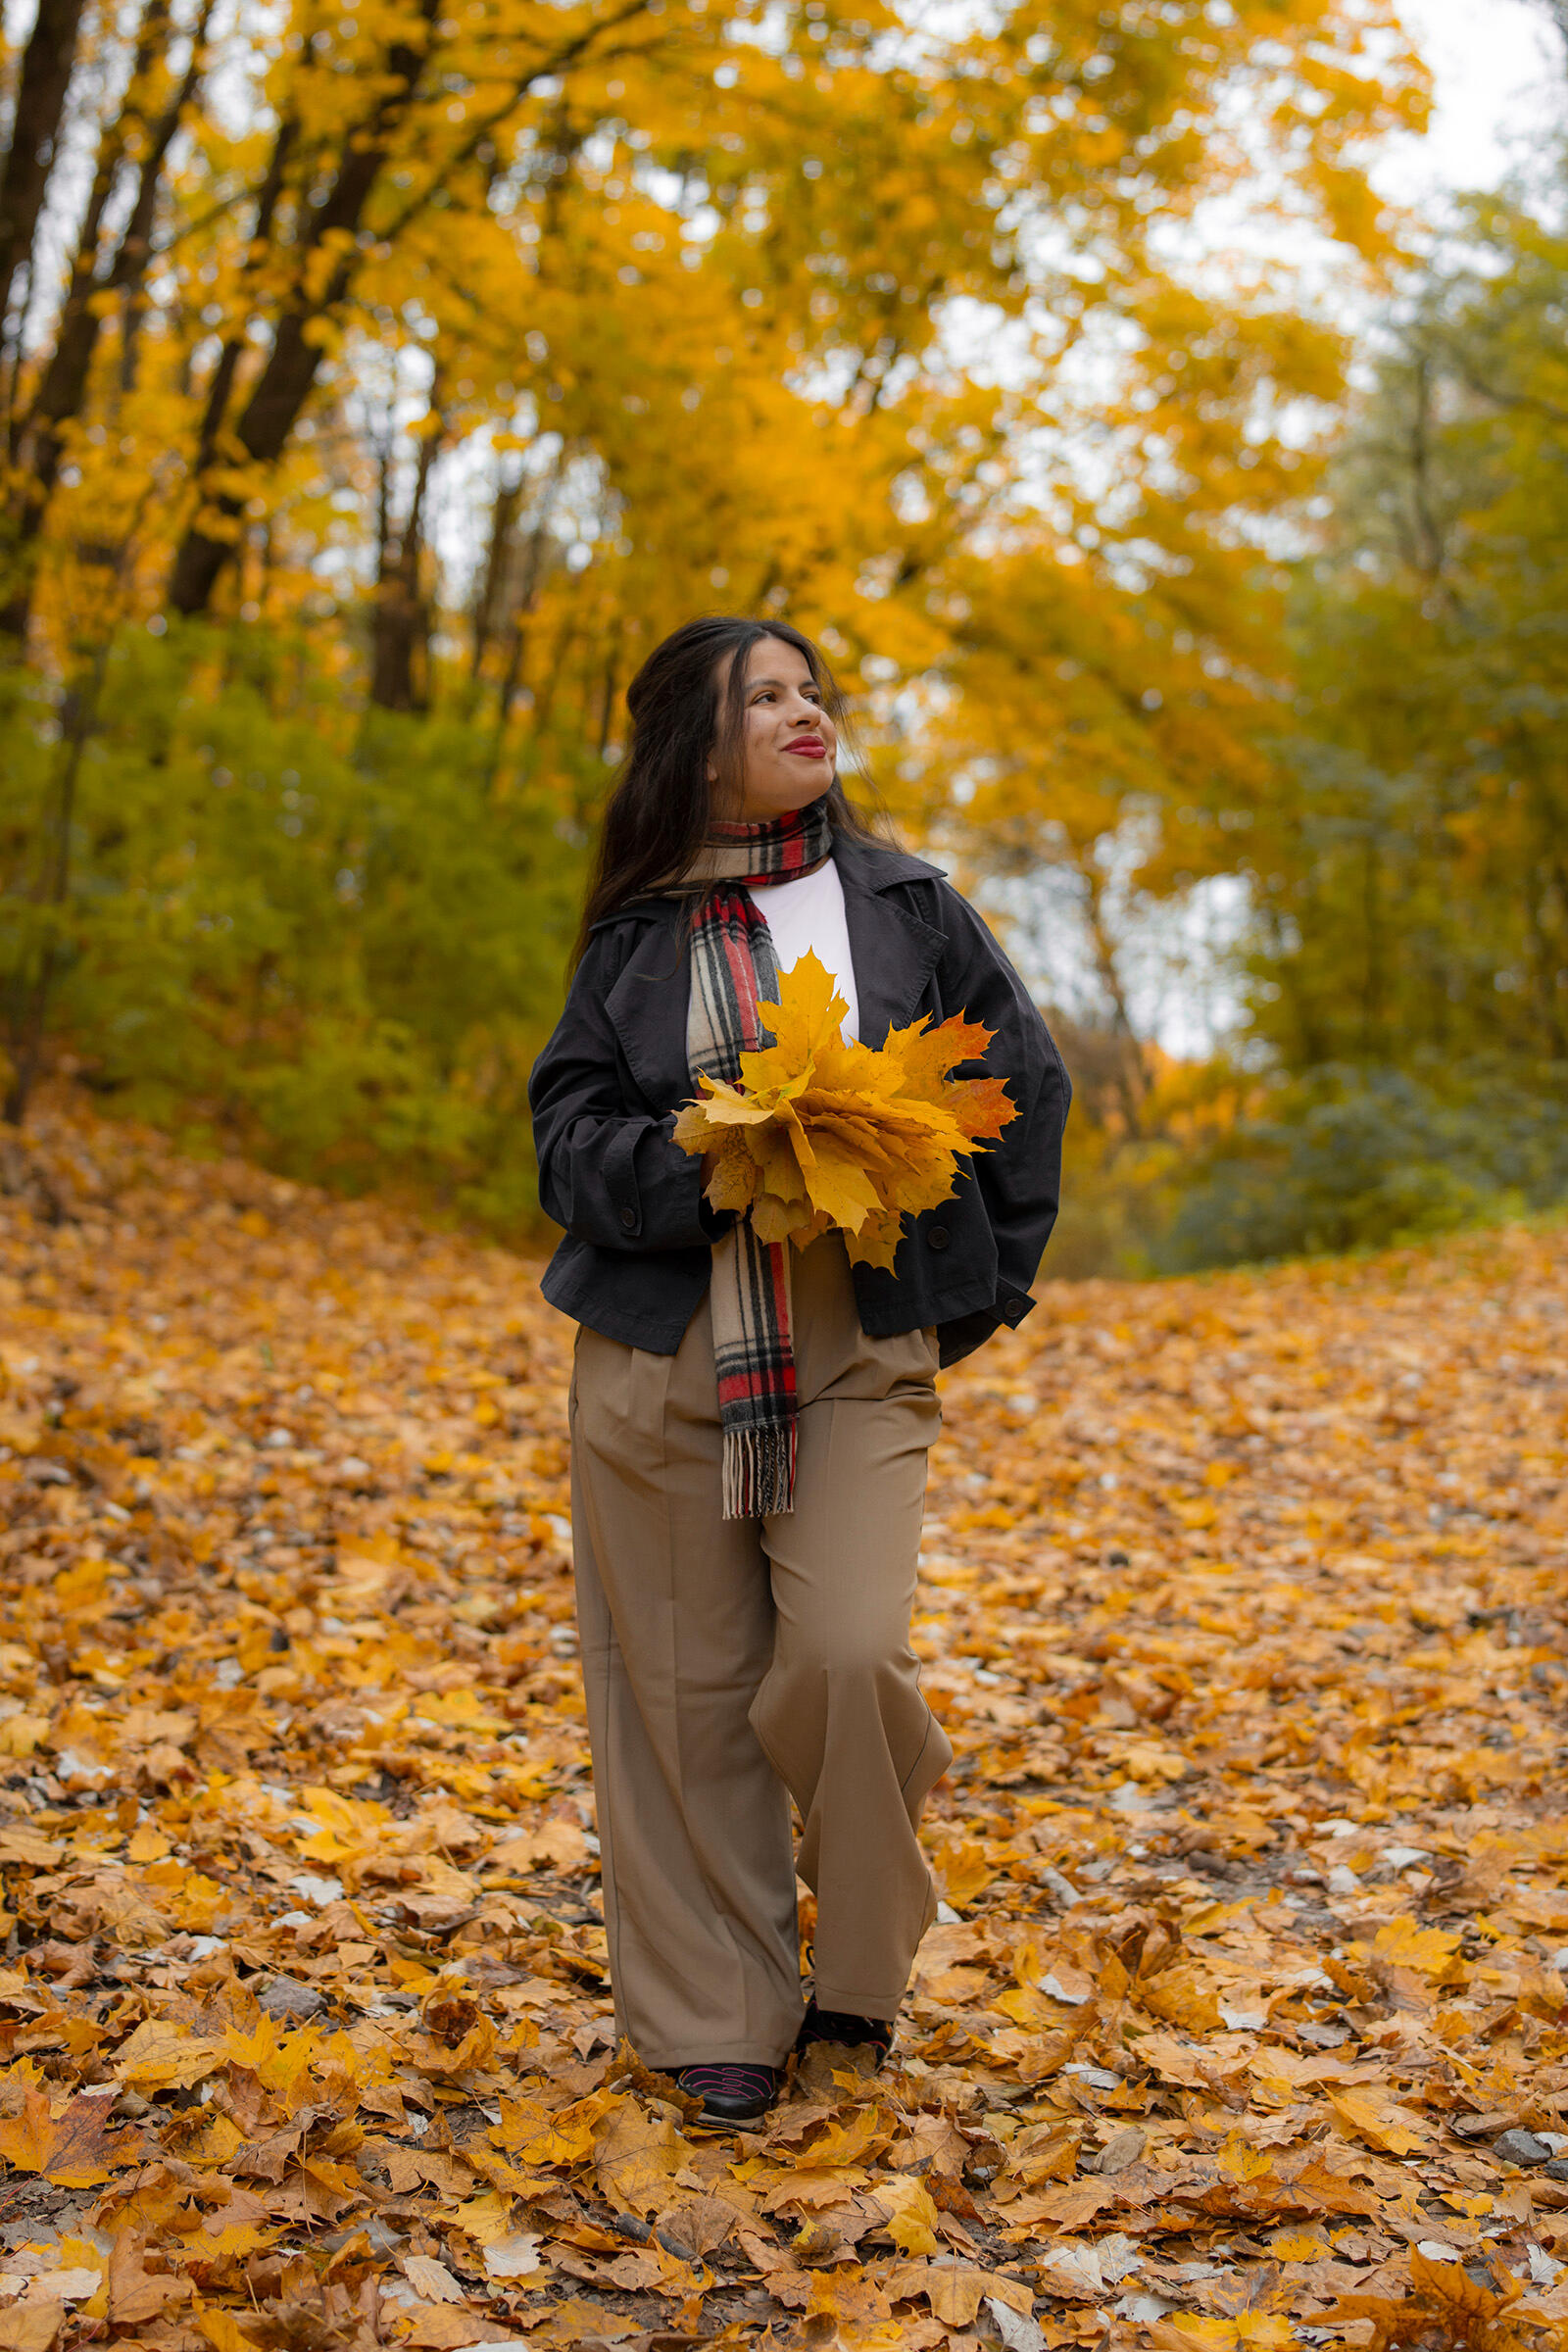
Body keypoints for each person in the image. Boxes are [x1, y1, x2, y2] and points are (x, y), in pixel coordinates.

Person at [528, 614, 1069, 2126]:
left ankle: (859, 1971)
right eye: (760, 697)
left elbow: (1022, 1085)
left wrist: (975, 1289)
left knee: (846, 1652)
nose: (801, 711)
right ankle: (722, 2013)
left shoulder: (904, 906)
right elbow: (563, 1140)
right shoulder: (634, 937)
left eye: (809, 689)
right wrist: (699, 1165)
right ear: (695, 749)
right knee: (687, 1699)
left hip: (855, 1333)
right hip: (664, 1342)